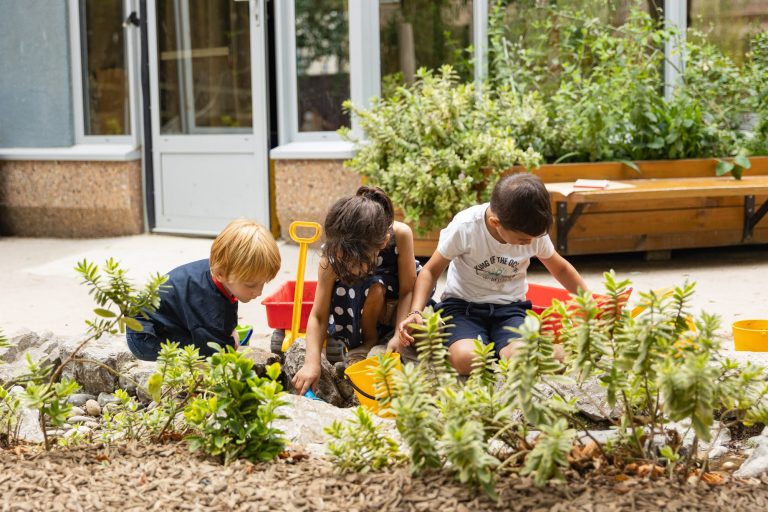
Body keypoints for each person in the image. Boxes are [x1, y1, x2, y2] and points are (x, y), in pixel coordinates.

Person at [396, 173, 588, 375]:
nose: (530, 244)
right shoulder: (466, 227)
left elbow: (561, 268)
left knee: (521, 359)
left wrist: (589, 302)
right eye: (523, 240)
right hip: (463, 307)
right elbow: (430, 271)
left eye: (534, 238)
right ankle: (488, 348)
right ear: (496, 222)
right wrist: (416, 312)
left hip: (510, 309)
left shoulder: (532, 232)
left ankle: (506, 350)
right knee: (467, 360)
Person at [291, 186, 421, 396]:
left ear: (384, 243)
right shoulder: (332, 257)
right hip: (353, 313)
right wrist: (312, 362)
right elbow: (318, 315)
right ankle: (363, 344)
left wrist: (399, 333)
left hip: (392, 306)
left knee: (377, 287)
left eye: (357, 261)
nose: (350, 267)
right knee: (368, 286)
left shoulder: (400, 235)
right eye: (344, 258)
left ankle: (384, 340)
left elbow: (408, 290)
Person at [126, 219, 281, 361]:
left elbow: (226, 311)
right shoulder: (206, 302)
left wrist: (230, 330)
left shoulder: (223, 272)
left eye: (264, 283)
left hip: (169, 321)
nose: (259, 292)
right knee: (199, 353)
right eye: (251, 285)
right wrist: (227, 345)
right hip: (146, 336)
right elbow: (213, 348)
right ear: (221, 274)